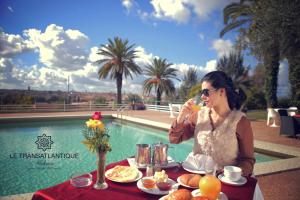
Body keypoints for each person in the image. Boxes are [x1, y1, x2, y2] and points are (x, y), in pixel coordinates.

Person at [169, 71, 255, 176]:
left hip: (224, 182)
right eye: (201, 93)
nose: (202, 97)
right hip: (196, 178)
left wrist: (234, 173)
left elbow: (248, 160)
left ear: (222, 92)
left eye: (206, 92)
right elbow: (174, 139)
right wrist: (181, 117)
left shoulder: (241, 122)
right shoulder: (198, 115)